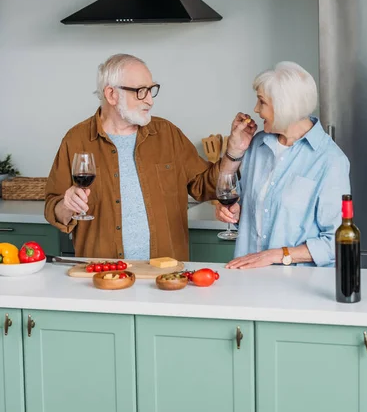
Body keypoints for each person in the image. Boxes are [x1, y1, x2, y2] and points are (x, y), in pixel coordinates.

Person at [45, 53, 249, 261]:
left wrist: (234, 151)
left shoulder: (167, 134)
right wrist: (67, 205)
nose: (150, 100)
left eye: (151, 91)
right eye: (141, 92)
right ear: (111, 95)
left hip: (165, 276)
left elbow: (206, 185)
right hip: (103, 276)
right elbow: (54, 209)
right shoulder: (76, 139)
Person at [215, 61, 350, 269]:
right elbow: (237, 202)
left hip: (298, 288)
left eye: (262, 102)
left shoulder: (330, 160)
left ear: (284, 106)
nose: (256, 109)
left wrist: (276, 255)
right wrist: (232, 211)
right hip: (248, 280)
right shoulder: (257, 145)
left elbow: (336, 241)